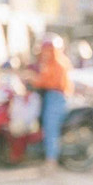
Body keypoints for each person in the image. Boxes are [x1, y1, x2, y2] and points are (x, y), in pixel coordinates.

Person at [27, 34, 73, 172]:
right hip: (48, 96)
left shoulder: (59, 63)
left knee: (50, 128)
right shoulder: (48, 63)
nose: (45, 53)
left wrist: (34, 79)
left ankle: (51, 161)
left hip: (56, 97)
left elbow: (49, 81)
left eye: (48, 50)